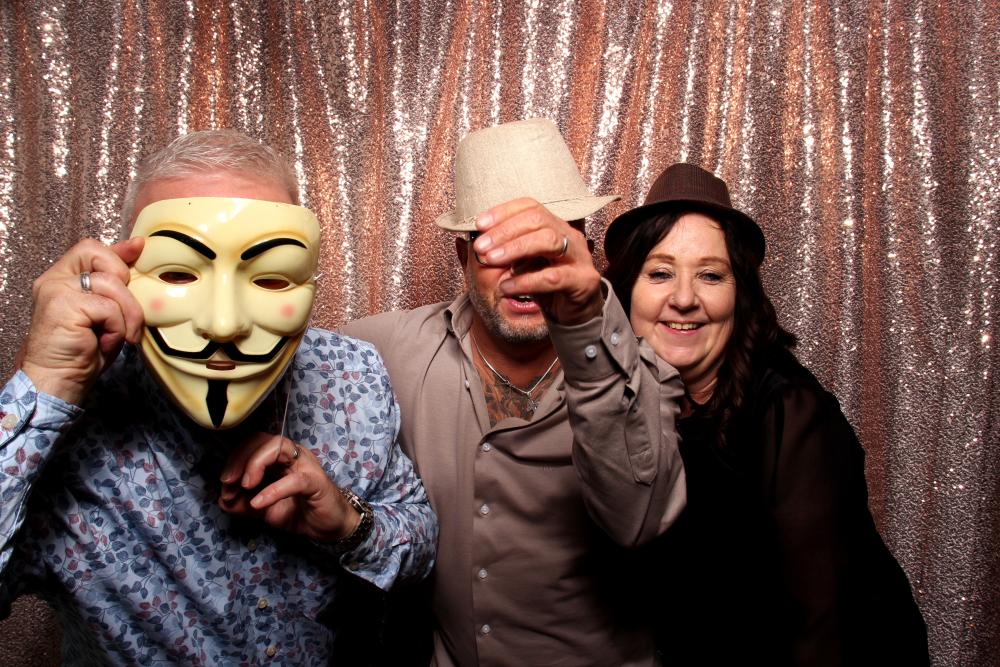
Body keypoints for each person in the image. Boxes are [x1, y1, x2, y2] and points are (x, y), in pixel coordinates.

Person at [0, 129, 436, 665]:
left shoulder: (351, 374)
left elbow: (418, 545)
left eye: (270, 279)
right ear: (122, 272)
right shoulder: (74, 406)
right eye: (179, 274)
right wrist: (45, 381)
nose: (224, 324)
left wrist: (347, 522)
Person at [343, 118, 686, 666]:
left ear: (583, 252)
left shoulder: (644, 378)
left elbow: (636, 521)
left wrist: (585, 328)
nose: (526, 267)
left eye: (549, 241)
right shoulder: (386, 351)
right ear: (463, 257)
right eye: (499, 245)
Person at [603, 162, 929, 666]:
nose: (684, 299)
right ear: (627, 291)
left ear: (741, 295)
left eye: (711, 275)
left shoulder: (790, 412)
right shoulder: (621, 403)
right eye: (661, 273)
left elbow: (822, 629)